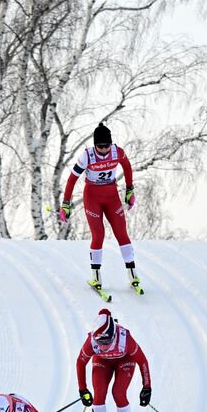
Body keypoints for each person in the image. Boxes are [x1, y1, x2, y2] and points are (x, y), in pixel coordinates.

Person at [59, 123, 136, 290]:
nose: (103, 149)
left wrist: (130, 190)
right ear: (94, 146)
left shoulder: (117, 152)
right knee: (98, 235)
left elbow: (128, 167)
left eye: (106, 146)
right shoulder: (86, 156)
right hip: (92, 197)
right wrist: (66, 203)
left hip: (112, 196)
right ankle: (96, 275)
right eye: (99, 146)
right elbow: (72, 180)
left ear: (111, 143)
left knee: (122, 233)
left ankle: (132, 273)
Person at [76, 309, 151, 412]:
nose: (103, 346)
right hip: (102, 361)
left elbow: (142, 360)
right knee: (99, 394)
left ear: (114, 335)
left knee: (118, 393)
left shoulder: (125, 339)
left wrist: (147, 387)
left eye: (107, 342)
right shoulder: (91, 341)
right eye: (100, 342)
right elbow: (80, 362)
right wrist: (82, 389)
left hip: (124, 360)